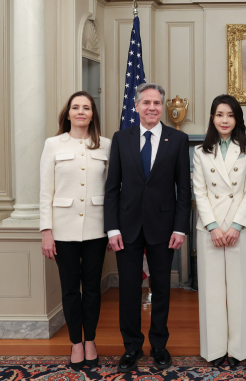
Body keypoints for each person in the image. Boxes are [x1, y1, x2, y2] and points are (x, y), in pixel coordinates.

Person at [104, 82, 191, 373]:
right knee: (129, 290)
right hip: (126, 228)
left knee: (161, 290)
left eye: (157, 103)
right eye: (146, 102)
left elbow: (184, 190)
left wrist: (180, 228)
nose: (152, 107)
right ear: (137, 106)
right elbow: (111, 188)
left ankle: (159, 345)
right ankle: (131, 347)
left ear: (162, 107)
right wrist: (112, 228)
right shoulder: (121, 138)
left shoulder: (177, 140)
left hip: (164, 228)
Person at [40, 91, 110, 371]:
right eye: (75, 107)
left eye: (86, 108)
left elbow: (112, 190)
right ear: (67, 113)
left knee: (92, 289)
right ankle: (75, 343)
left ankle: (90, 340)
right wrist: (46, 230)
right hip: (63, 230)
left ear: (93, 114)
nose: (81, 112)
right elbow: (46, 191)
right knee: (70, 290)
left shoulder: (105, 145)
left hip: (96, 228)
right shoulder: (53, 144)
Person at [192, 95, 246, 367]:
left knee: (240, 290)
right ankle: (215, 349)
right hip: (209, 229)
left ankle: (239, 350)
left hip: (239, 228)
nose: (224, 120)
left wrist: (234, 226)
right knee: (212, 291)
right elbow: (200, 191)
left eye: (230, 115)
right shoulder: (200, 151)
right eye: (220, 114)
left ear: (237, 119)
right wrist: (213, 227)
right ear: (212, 117)